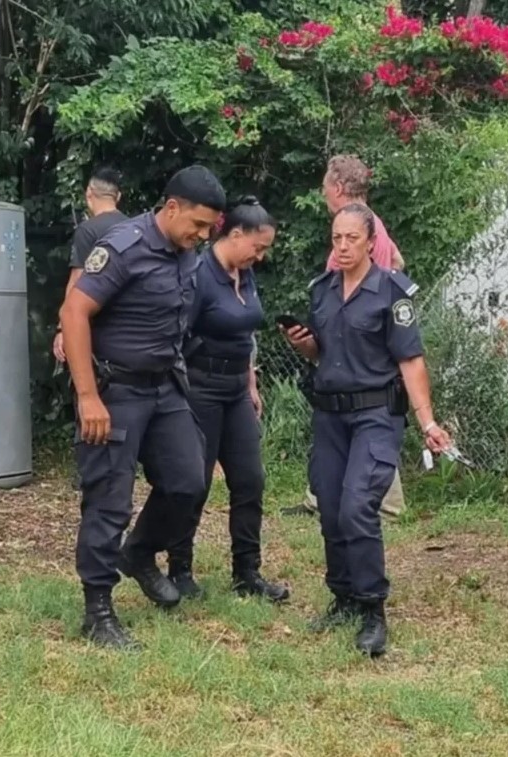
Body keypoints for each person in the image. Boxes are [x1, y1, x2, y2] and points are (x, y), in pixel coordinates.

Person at [59, 165, 226, 650]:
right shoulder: (122, 247)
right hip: (116, 390)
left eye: (208, 230)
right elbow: (74, 311)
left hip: (165, 388)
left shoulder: (186, 255)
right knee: (109, 499)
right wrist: (88, 396)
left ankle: (138, 552)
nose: (201, 236)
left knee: (188, 482)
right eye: (196, 224)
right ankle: (98, 610)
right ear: (171, 208)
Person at [282, 203, 451, 657]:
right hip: (330, 415)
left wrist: (427, 421)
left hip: (376, 415)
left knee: (359, 505)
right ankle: (343, 598)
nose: (340, 246)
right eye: (335, 238)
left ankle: (373, 609)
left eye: (350, 239)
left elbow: (410, 360)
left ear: (370, 241)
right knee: (333, 508)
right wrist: (304, 346)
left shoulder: (391, 293)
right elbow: (323, 354)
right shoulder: (322, 290)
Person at [129, 197, 288, 603]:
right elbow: (178, 334)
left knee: (250, 480)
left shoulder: (245, 274)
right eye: (258, 246)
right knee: (193, 482)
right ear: (235, 235)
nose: (261, 255)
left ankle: (247, 571)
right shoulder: (199, 274)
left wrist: (251, 384)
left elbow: (245, 336)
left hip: (236, 388)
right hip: (200, 387)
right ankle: (180, 567)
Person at [284, 154, 408, 520]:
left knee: (366, 417)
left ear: (337, 187)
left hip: (361, 342)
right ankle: (322, 497)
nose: (323, 194)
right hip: (353, 339)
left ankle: (385, 505)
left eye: (324, 187)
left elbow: (382, 277)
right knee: (347, 420)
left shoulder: (360, 229)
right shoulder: (371, 226)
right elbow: (398, 261)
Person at [53, 167, 129, 363]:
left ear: (89, 194)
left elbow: (77, 281)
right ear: (117, 196)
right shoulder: (135, 228)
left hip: (94, 326)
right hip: (129, 328)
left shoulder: (87, 231)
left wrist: (63, 328)